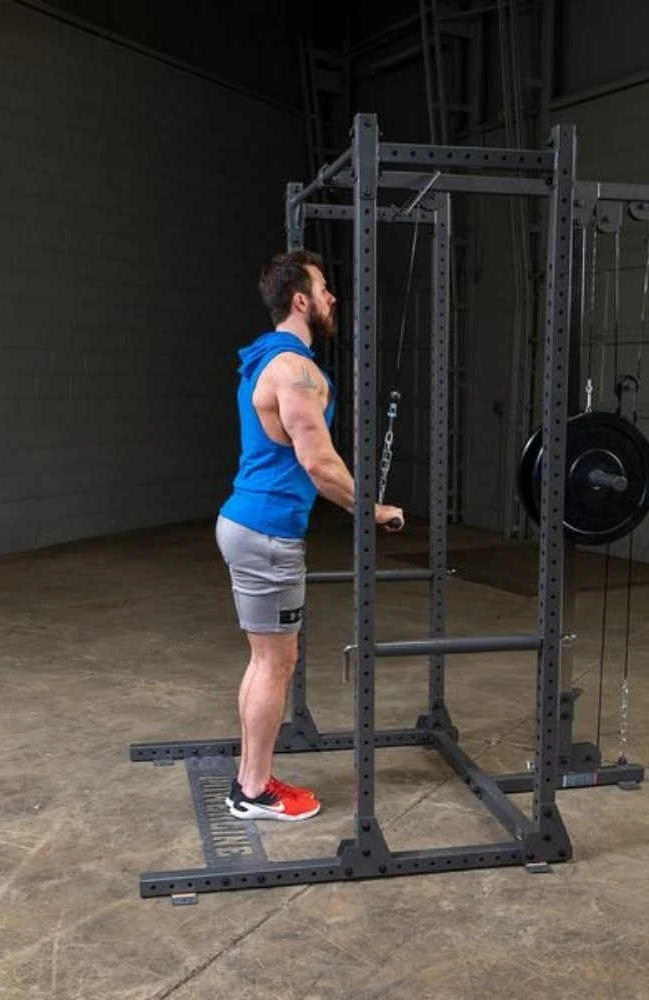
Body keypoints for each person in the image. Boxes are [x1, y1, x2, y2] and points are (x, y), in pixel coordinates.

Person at [216, 250, 405, 822]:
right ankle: (254, 791)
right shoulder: (294, 370)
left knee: (265, 660)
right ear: (300, 300)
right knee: (275, 664)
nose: (331, 298)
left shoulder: (264, 358)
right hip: (267, 532)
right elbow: (319, 463)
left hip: (250, 524)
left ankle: (249, 780)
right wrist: (371, 510)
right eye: (323, 289)